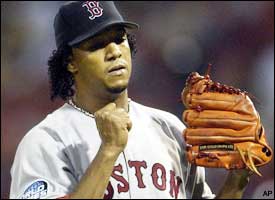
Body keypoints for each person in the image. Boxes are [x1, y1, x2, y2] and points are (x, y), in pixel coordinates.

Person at [10, 1, 252, 199]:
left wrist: (237, 181)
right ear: (70, 62)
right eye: (96, 45)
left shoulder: (169, 129)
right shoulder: (45, 142)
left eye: (119, 39)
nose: (114, 51)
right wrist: (108, 152)